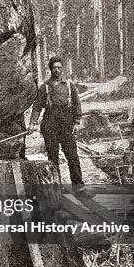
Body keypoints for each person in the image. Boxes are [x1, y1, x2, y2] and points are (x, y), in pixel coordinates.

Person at [28, 56, 84, 186]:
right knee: (52, 159)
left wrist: (76, 122)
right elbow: (37, 107)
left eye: (59, 67)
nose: (57, 70)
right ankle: (57, 189)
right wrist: (32, 123)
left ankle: (79, 188)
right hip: (50, 125)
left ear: (62, 69)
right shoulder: (45, 87)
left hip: (66, 125)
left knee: (73, 157)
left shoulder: (70, 86)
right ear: (50, 69)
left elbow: (77, 104)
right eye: (54, 68)